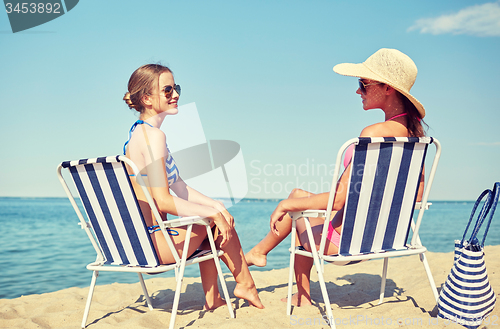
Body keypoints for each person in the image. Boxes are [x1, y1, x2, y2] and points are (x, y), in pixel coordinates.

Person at [245, 48, 428, 306]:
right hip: (384, 241)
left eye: (363, 84)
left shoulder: (372, 134)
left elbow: (340, 200)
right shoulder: (416, 141)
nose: (358, 91)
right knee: (299, 196)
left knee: (297, 211)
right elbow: (417, 197)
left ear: (387, 88)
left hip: (346, 245)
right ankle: (259, 251)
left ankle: (302, 295)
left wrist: (284, 205)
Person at [122, 64, 264, 310]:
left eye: (176, 88)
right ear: (146, 98)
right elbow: (163, 201)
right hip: (155, 245)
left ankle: (216, 297)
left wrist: (213, 205)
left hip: (139, 242)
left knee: (215, 217)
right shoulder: (154, 138)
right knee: (216, 223)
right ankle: (245, 284)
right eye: (167, 90)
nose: (175, 94)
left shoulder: (138, 135)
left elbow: (178, 185)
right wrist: (212, 214)